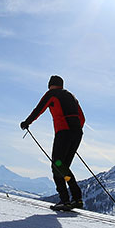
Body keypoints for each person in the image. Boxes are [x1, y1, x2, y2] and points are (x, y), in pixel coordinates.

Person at [21, 75, 86, 211]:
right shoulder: (71, 96)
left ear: (50, 85)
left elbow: (39, 109)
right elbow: (82, 118)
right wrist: (75, 131)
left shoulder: (52, 94)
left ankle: (65, 200)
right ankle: (77, 198)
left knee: (57, 164)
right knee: (63, 167)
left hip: (64, 132)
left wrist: (27, 123)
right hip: (77, 133)